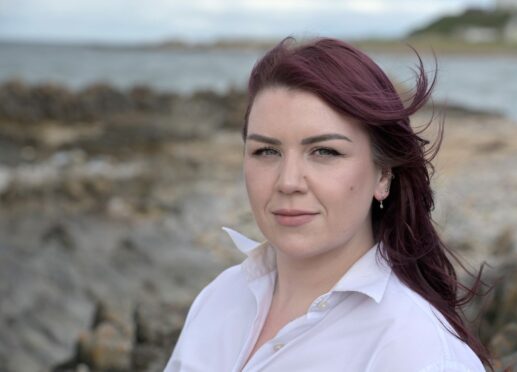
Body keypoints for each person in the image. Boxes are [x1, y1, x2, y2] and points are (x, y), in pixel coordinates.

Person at [164, 37, 490, 372]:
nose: (288, 182)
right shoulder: (220, 296)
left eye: (325, 152)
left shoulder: (419, 353)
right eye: (267, 151)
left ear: (383, 176)